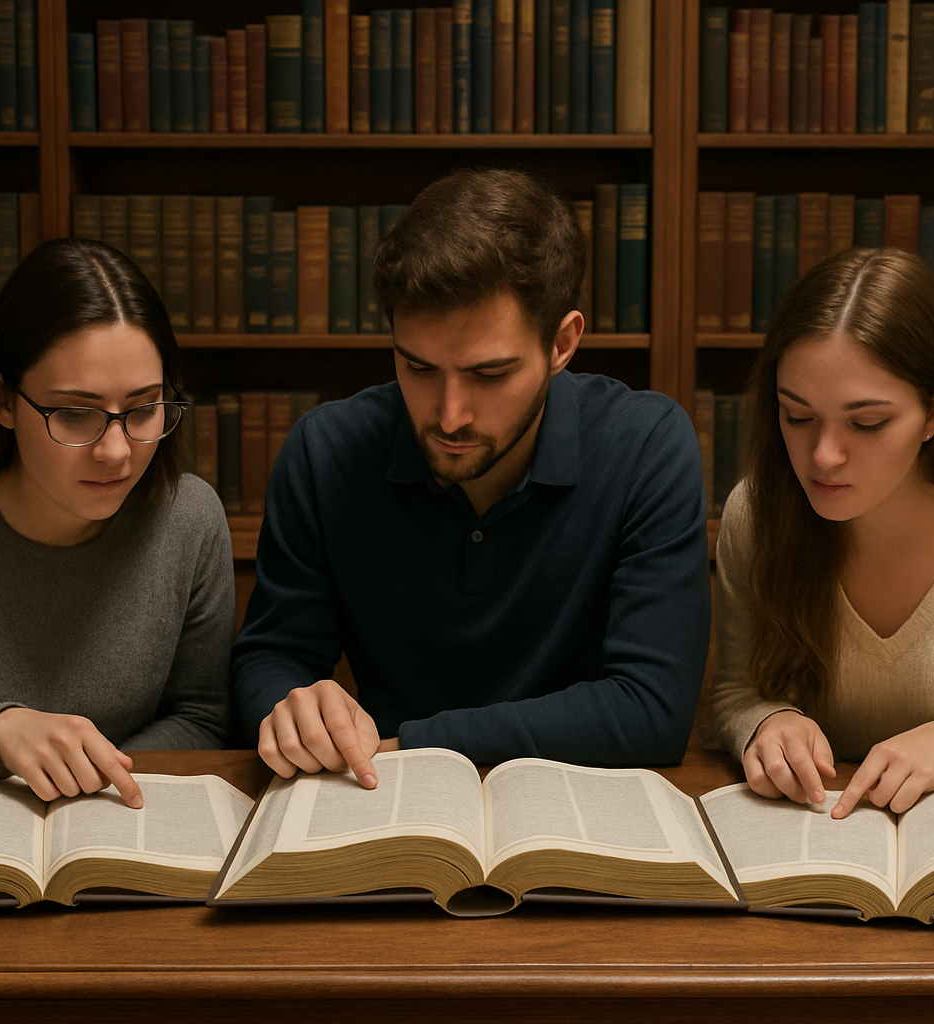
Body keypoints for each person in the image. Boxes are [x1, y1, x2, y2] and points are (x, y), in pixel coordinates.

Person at [232, 167, 710, 787]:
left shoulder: (645, 446)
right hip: (386, 804)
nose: (449, 415)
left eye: (489, 374)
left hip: (573, 815)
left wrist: (411, 744)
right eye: (419, 367)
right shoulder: (327, 451)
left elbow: (650, 712)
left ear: (562, 343)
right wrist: (290, 706)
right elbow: (271, 657)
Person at [709, 246, 934, 819]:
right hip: (818, 844)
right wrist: (767, 721)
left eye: (867, 423)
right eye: (798, 416)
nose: (823, 456)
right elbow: (737, 691)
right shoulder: (758, 514)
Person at [0, 237, 235, 809]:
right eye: (75, 413)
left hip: (117, 826)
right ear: (3, 401)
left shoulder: (188, 520)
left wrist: (91, 774)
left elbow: (202, 717)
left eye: (142, 408)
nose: (115, 452)